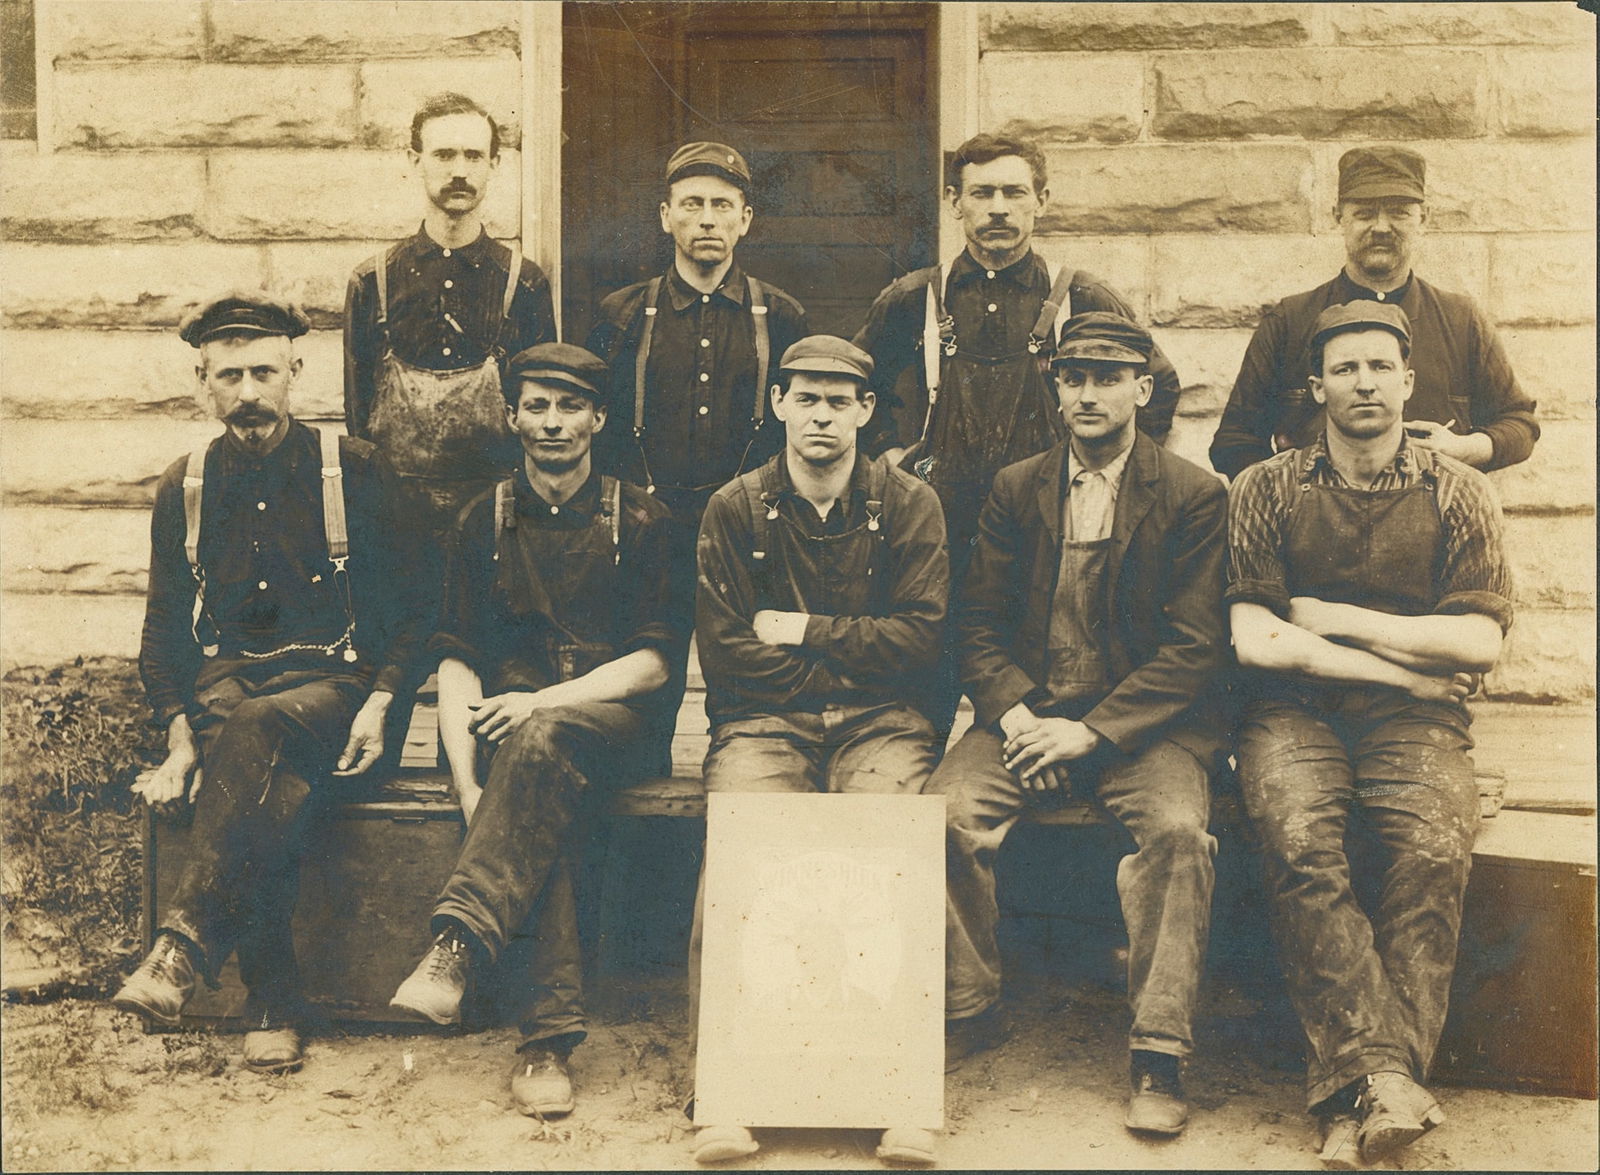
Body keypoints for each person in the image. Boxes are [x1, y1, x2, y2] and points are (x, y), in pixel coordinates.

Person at [1226, 301, 1513, 1166]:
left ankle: (1357, 1096)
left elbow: (1482, 639)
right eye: (1344, 369)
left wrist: (1333, 618)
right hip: (1291, 714)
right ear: (1315, 387)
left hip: (1418, 728)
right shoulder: (1264, 488)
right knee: (1298, 837)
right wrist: (1407, 664)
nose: (1364, 384)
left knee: (1431, 846)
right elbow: (1258, 639)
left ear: (1409, 381)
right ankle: (1385, 1083)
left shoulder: (1459, 489)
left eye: (1380, 367)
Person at [929, 312, 1228, 1137]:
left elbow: (1196, 646)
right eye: (1074, 378)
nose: (1089, 393)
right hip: (1030, 715)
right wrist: (1020, 713)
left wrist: (1092, 733)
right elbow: (976, 624)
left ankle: (1158, 1050)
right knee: (941, 816)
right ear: (1055, 389)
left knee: (1176, 834)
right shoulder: (1015, 485)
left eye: (1107, 377)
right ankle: (970, 1003)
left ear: (1143, 388)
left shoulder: (1196, 495)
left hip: (1142, 729)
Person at [113, 292, 428, 1076]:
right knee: (262, 776)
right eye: (229, 375)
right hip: (228, 705)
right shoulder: (184, 485)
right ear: (201, 383)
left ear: (295, 370)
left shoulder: (352, 470)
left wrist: (385, 702)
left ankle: (186, 945)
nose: (248, 392)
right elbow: (161, 632)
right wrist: (177, 737)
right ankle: (271, 1003)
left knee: (255, 737)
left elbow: (416, 614)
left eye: (263, 371)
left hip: (337, 696)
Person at [386, 343, 689, 1119]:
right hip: (517, 740)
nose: (552, 424)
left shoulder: (645, 518)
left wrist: (543, 701)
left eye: (570, 407)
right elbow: (456, 664)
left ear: (598, 417)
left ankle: (457, 946)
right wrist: (468, 787)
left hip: (617, 727)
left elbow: (654, 666)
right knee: (533, 773)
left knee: (541, 743)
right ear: (512, 415)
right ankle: (545, 1044)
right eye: (537, 406)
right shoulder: (477, 520)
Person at [688, 335, 948, 1166]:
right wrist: (842, 662)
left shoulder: (910, 504)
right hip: (765, 722)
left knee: (890, 847)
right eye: (807, 398)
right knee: (742, 845)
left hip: (883, 720)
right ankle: (723, 1084)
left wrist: (806, 631)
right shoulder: (734, 506)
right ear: (778, 405)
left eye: (841, 400)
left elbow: (920, 641)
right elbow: (728, 651)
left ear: (867, 411)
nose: (823, 416)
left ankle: (901, 1089)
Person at [851, 132, 1181, 731]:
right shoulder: (915, 297)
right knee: (917, 708)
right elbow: (851, 384)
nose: (998, 207)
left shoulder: (1082, 296)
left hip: (1044, 529)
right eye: (981, 193)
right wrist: (890, 456)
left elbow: (1157, 387)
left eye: (1013, 192)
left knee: (1035, 685)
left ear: (1042, 200)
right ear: (955, 203)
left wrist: (1105, 478)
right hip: (938, 531)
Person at [1210, 145, 1539, 480]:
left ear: (1423, 218)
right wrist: (1290, 495)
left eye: (1398, 212)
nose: (1381, 227)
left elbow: (1520, 424)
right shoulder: (1291, 320)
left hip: (1435, 520)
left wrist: (1464, 448)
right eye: (1365, 213)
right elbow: (1235, 441)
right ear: (1338, 215)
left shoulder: (1460, 319)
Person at [343, 91, 557, 575]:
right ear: (414, 160)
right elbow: (358, 421)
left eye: (473, 155)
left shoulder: (523, 282)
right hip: (396, 528)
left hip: (494, 522)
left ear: (494, 164)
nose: (459, 170)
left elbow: (541, 411)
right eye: (443, 154)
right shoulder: (372, 282)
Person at [585, 141, 810, 542]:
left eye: (722, 205)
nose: (707, 219)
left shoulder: (781, 316)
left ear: (745, 219)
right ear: (666, 217)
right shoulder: (622, 314)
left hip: (750, 529)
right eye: (692, 204)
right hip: (644, 532)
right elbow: (596, 429)